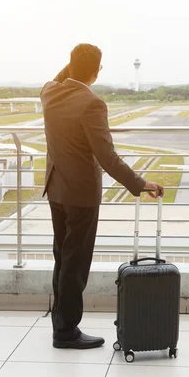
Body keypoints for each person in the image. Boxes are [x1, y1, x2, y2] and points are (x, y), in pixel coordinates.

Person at [41, 43, 164, 349]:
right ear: (97, 72)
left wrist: (75, 66)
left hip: (56, 189)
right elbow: (107, 158)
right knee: (75, 264)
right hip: (81, 195)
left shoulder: (49, 93)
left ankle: (61, 322)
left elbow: (61, 78)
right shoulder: (91, 103)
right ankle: (66, 331)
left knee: (62, 259)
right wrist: (140, 183)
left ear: (69, 65)